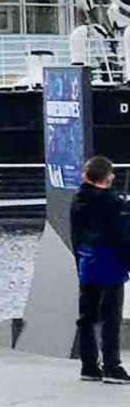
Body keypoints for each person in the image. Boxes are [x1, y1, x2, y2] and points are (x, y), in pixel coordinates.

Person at [70, 155, 130, 383]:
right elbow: (122, 237)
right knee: (110, 318)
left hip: (87, 264)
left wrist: (79, 261)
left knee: (86, 317)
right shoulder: (114, 204)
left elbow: (75, 236)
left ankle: (89, 365)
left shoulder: (78, 201)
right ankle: (112, 366)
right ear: (108, 178)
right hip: (111, 265)